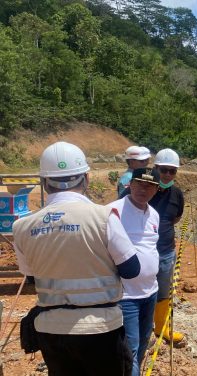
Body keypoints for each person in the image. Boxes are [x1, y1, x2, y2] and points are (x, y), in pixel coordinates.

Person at [13, 141, 139, 376]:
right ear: (87, 178)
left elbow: (31, 277)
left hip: (51, 331)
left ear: (43, 182)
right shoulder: (103, 217)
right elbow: (132, 269)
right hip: (100, 328)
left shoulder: (22, 227)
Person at [123, 149, 185, 346]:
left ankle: (160, 328)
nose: (167, 174)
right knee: (135, 290)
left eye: (172, 171)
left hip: (165, 252)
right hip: (137, 252)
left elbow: (176, 218)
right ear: (155, 168)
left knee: (163, 291)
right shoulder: (138, 190)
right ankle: (135, 330)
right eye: (163, 170)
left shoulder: (176, 194)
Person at [108, 168, 160, 376]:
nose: (143, 189)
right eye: (139, 183)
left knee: (142, 345)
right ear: (130, 184)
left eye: (149, 186)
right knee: (130, 349)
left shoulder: (154, 214)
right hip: (126, 295)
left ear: (156, 189)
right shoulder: (113, 211)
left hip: (150, 293)